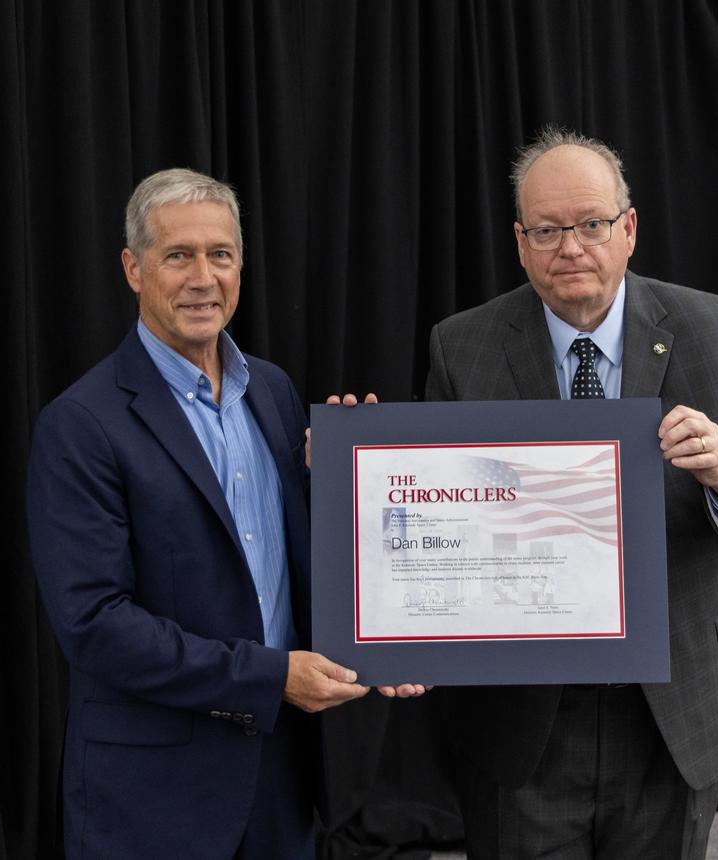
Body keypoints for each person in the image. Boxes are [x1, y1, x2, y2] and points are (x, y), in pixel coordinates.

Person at [426, 129, 718, 858]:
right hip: (527, 718)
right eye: (547, 230)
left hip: (674, 706)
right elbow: (440, 516)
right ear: (520, 243)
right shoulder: (463, 346)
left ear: (629, 229)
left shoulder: (715, 328)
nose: (570, 247)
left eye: (591, 224)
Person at [26, 168, 422, 859]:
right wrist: (272, 679)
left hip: (282, 779)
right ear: (133, 269)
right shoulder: (81, 425)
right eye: (178, 256)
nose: (202, 278)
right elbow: (96, 626)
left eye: (220, 254)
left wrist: (352, 486)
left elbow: (294, 565)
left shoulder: (272, 391)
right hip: (154, 798)